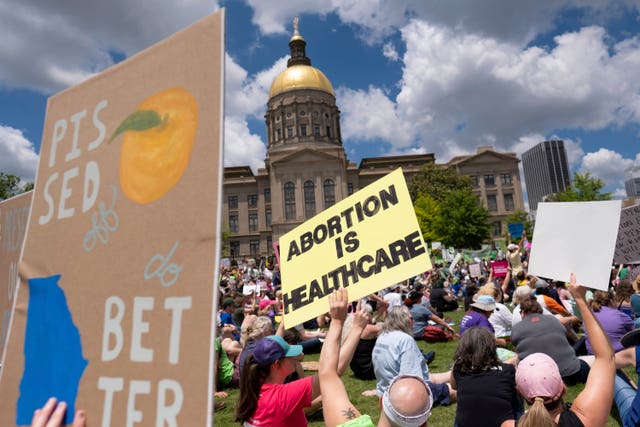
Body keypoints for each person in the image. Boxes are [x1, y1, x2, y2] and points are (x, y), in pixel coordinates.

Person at [319, 288, 433, 427]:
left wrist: (337, 321)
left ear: (381, 402)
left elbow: (327, 375)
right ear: (426, 421)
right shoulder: (402, 338)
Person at [515, 273, 615, 426]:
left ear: (520, 393)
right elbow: (605, 358)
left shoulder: (507, 424)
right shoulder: (584, 420)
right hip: (573, 370)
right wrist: (580, 299)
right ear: (562, 387)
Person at [236, 310, 366, 425]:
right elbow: (332, 373)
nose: (296, 357)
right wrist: (353, 327)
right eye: (289, 355)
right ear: (276, 365)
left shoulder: (254, 389)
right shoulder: (282, 398)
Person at [372, 306, 455, 407]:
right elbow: (412, 378)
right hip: (405, 394)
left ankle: (454, 373)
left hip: (385, 389)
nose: (414, 321)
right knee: (455, 390)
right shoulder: (405, 340)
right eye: (411, 318)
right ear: (403, 320)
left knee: (431, 377)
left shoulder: (382, 336)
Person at [511, 296, 589, 386]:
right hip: (571, 373)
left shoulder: (517, 328)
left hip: (539, 380)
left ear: (523, 312)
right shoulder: (554, 320)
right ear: (540, 310)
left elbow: (517, 351)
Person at [451, 327, 521, 426]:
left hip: (467, 423)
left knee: (463, 404)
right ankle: (519, 420)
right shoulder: (507, 370)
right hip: (503, 424)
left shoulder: (459, 369)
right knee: (515, 393)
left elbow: (454, 386)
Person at [584, 289, 634, 355]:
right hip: (618, 355)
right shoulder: (620, 316)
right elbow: (635, 332)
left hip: (593, 355)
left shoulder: (588, 317)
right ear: (611, 301)